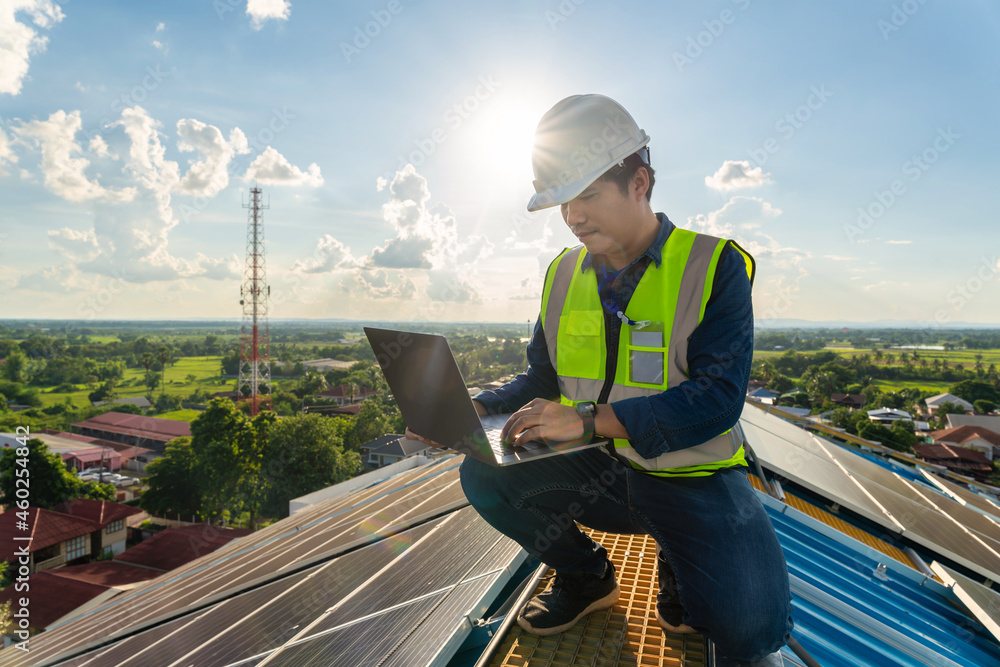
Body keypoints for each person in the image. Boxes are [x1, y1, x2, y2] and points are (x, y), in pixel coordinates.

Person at [408, 94, 792, 666]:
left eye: (586, 194)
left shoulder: (714, 266)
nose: (573, 216)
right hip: (600, 472)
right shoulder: (564, 274)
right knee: (486, 478)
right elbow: (543, 376)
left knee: (750, 633)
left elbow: (718, 400)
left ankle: (678, 557)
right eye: (564, 201)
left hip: (691, 475)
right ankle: (588, 579)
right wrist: (466, 410)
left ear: (640, 182)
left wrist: (589, 421)